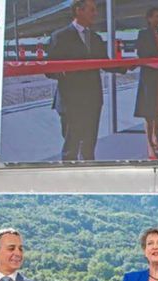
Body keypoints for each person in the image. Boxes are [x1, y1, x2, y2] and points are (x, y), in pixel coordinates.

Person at [47, 0, 109, 161]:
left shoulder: (96, 38)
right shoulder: (60, 37)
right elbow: (49, 70)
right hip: (71, 101)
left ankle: (89, 173)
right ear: (78, 10)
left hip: (93, 100)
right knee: (71, 148)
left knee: (89, 148)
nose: (96, 13)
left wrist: (134, 64)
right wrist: (66, 72)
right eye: (92, 10)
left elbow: (106, 63)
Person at [134, 7, 158, 160]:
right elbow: (142, 53)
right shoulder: (142, 34)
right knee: (149, 112)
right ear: (149, 19)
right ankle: (149, 145)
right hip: (149, 78)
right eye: (156, 16)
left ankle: (156, 140)